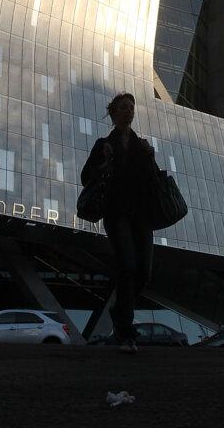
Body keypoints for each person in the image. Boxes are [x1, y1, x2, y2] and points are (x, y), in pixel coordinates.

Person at [80, 92, 158, 354]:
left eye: (131, 107)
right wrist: (103, 161)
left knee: (143, 272)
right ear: (113, 113)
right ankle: (126, 332)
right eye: (124, 107)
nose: (129, 111)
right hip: (116, 214)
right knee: (127, 265)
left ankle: (119, 310)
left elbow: (153, 181)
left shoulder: (143, 146)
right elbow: (85, 177)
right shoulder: (104, 144)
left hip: (142, 215)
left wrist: (150, 157)